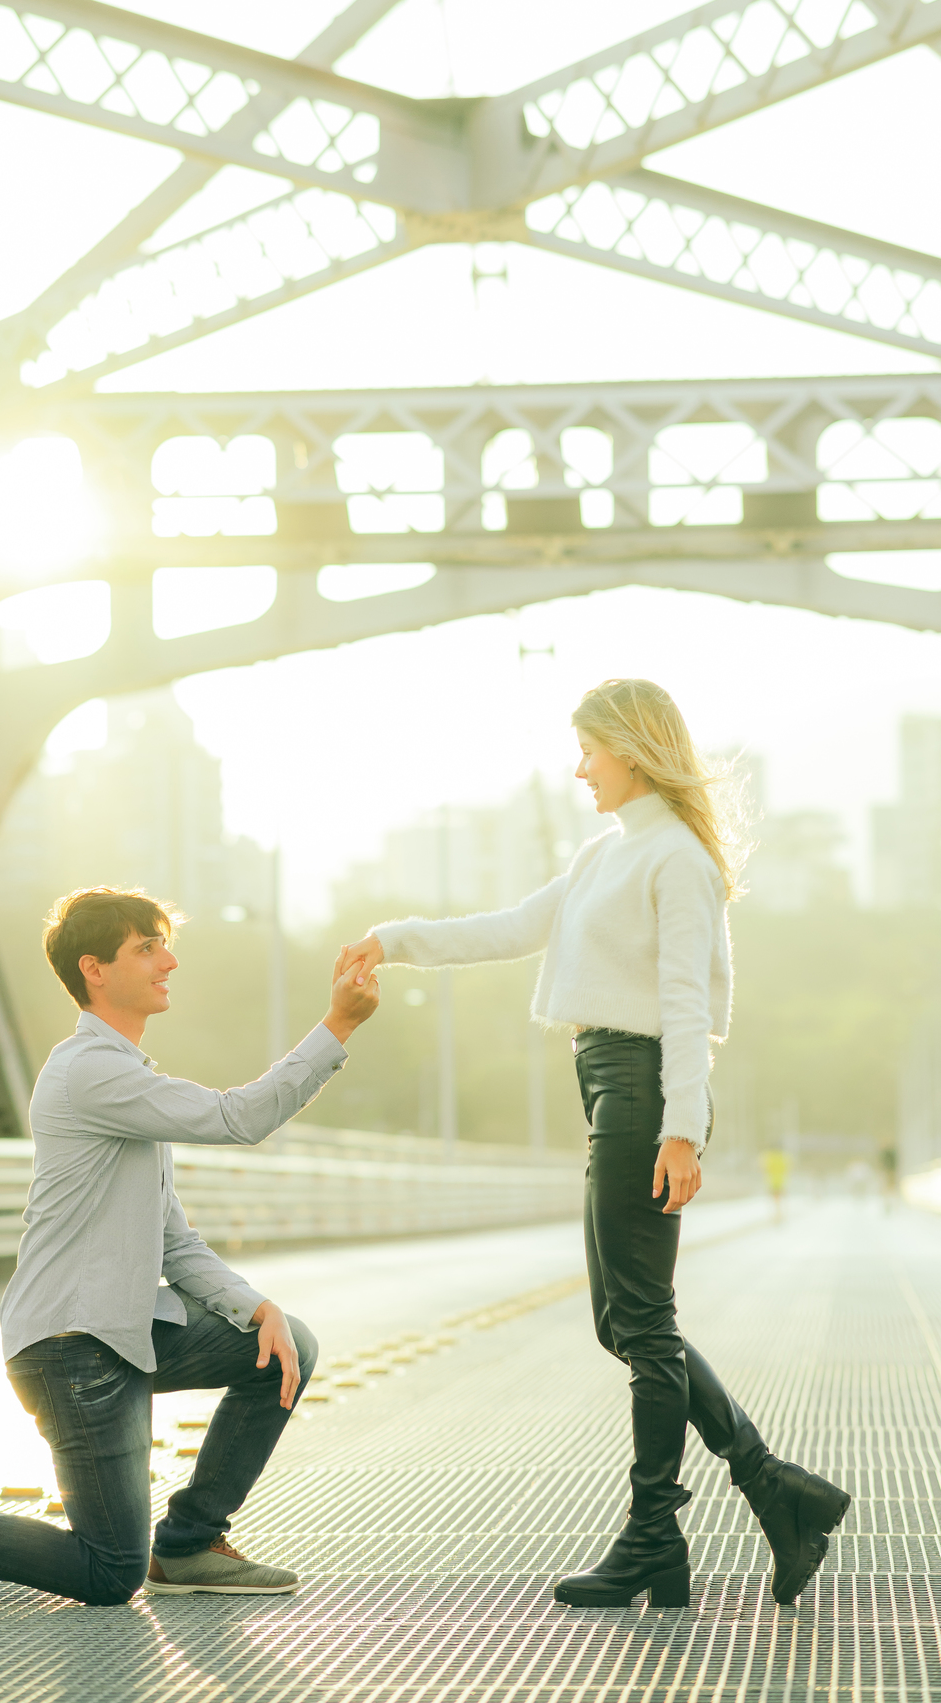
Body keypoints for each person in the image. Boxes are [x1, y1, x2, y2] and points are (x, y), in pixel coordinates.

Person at [341, 679, 850, 1610]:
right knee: (623, 1322)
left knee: (643, 1324)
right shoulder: (602, 855)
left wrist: (683, 1130)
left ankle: (657, 1536)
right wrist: (391, 938)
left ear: (632, 747)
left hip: (645, 1091)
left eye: (589, 751)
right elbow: (510, 930)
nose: (578, 769)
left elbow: (688, 1005)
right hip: (609, 1090)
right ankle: (773, 1489)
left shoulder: (679, 861)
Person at [0, 885, 379, 1611]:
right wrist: (337, 1024)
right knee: (108, 1571)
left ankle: (188, 1545)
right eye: (147, 949)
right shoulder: (91, 1072)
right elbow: (237, 1118)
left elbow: (174, 1240)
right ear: (94, 968)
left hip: (118, 1332)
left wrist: (256, 1307)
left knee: (284, 1345)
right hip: (72, 1348)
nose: (169, 962)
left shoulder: (125, 1078)